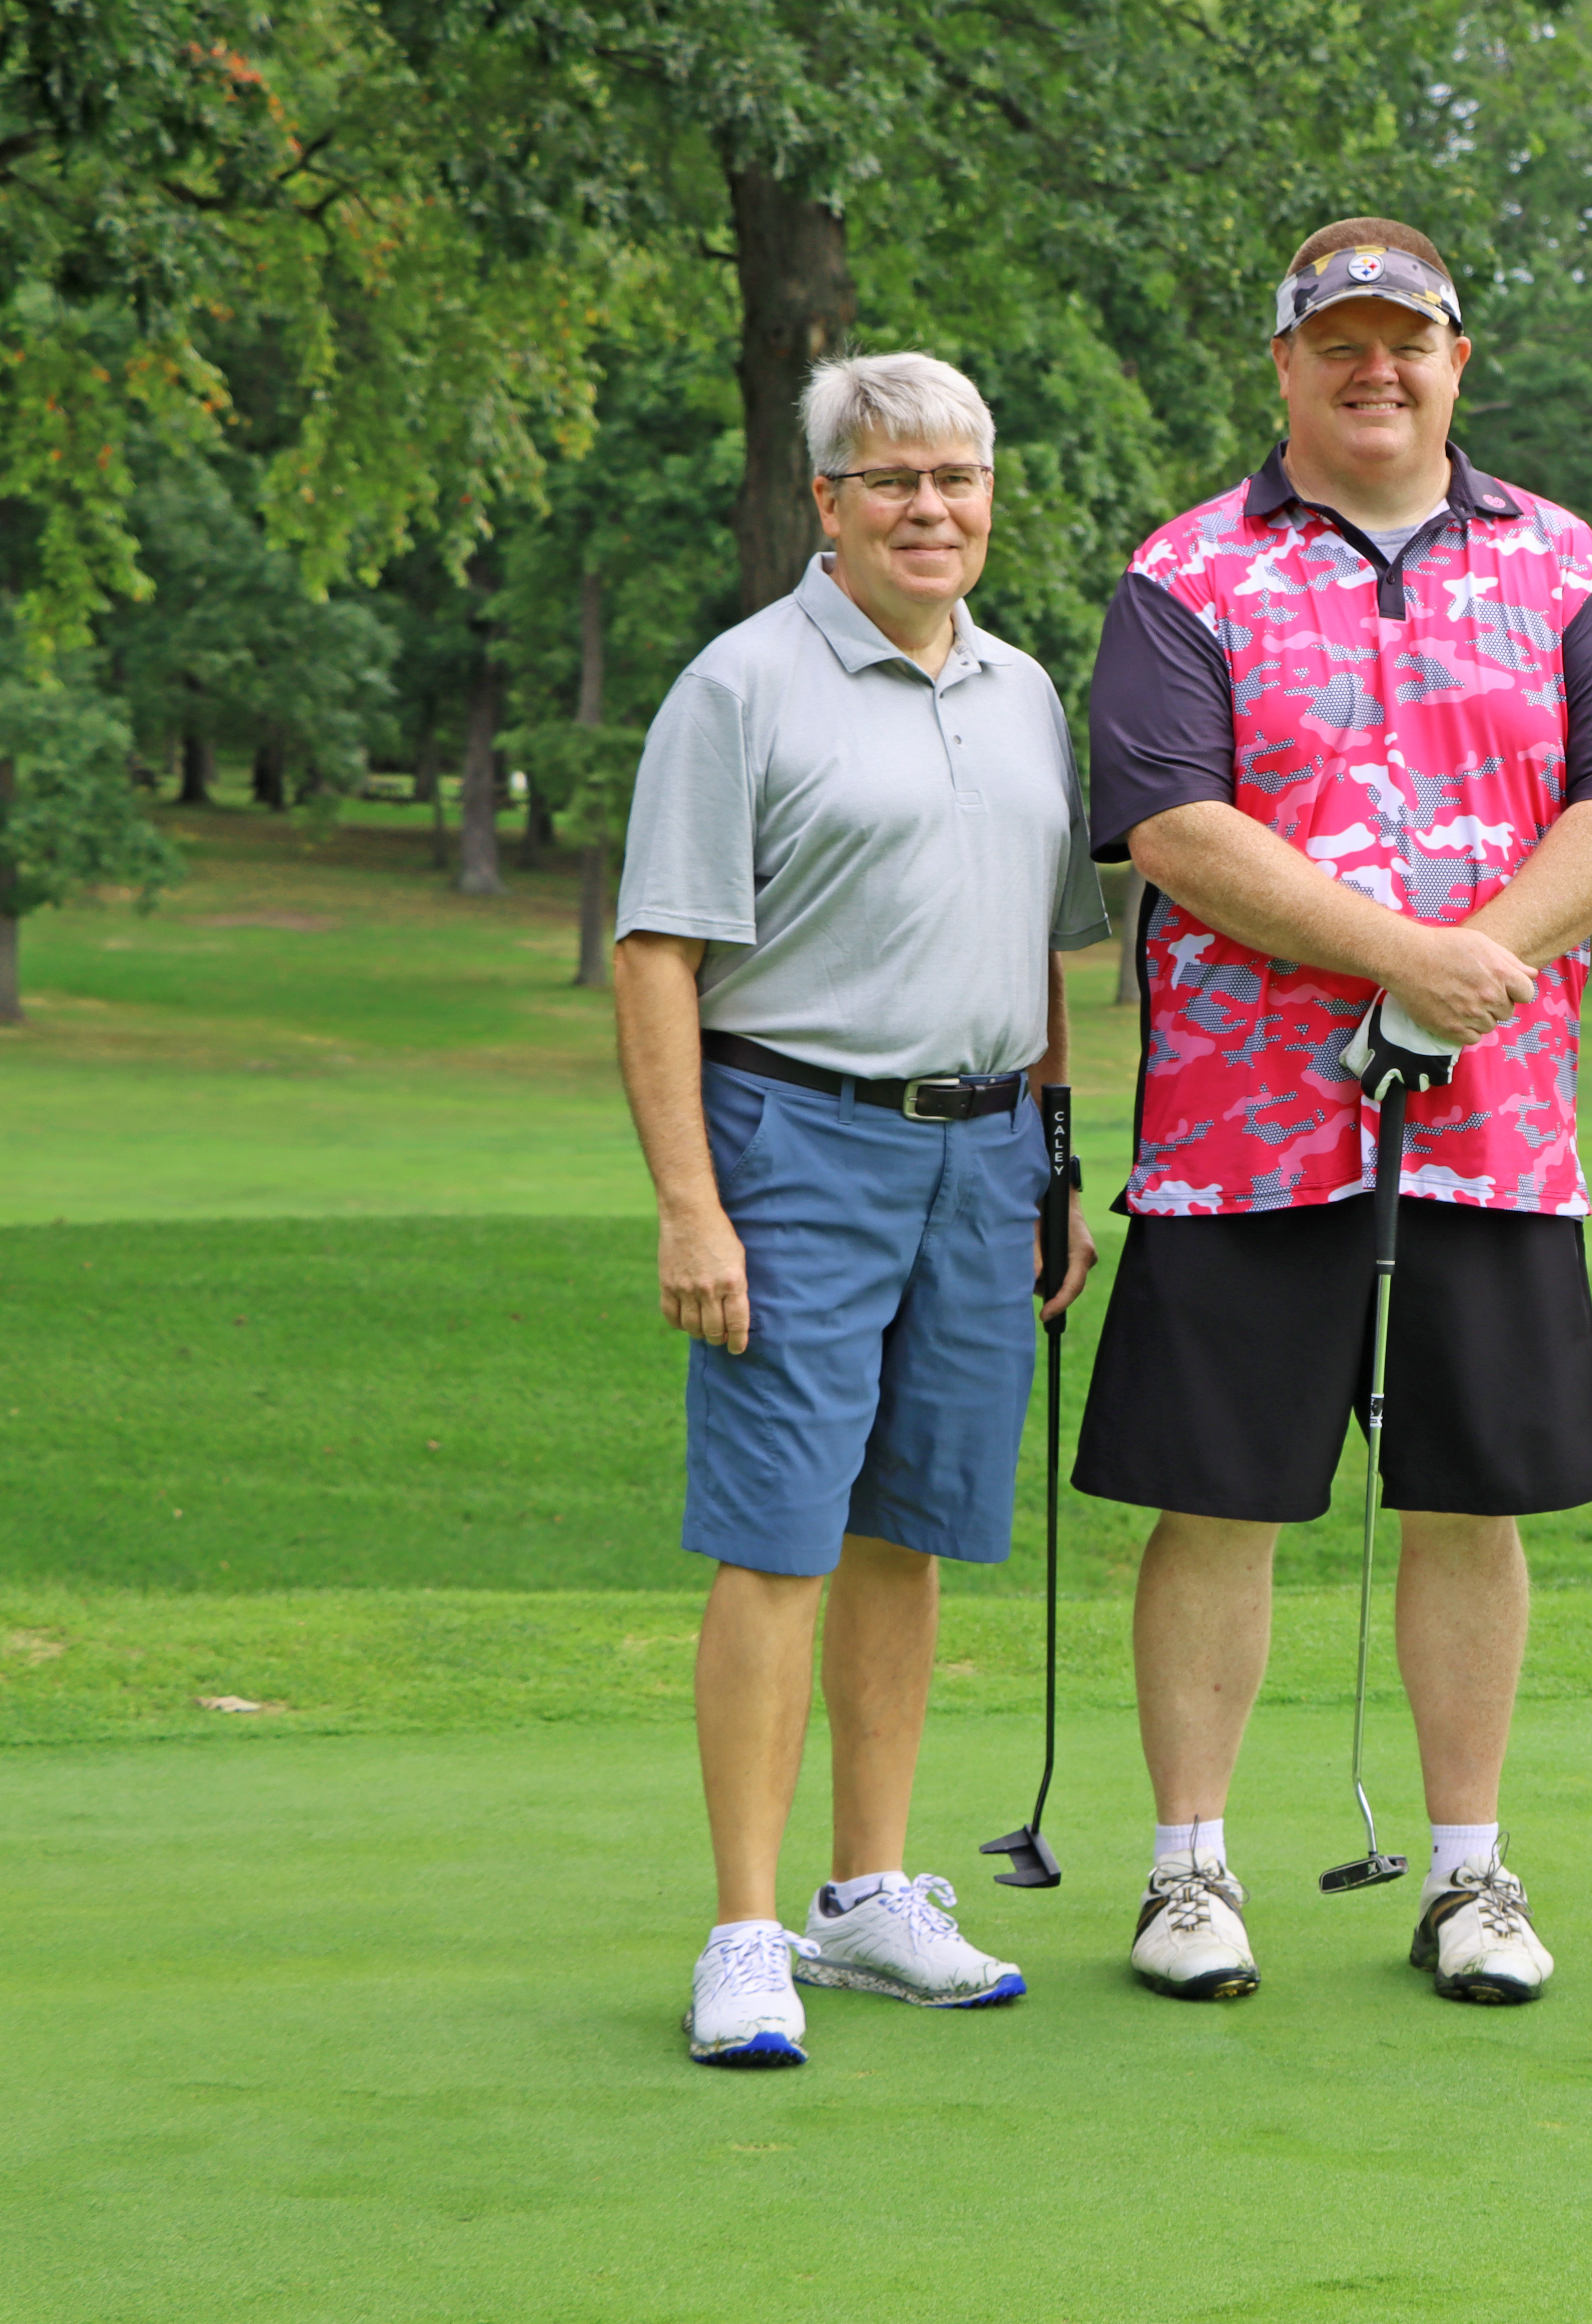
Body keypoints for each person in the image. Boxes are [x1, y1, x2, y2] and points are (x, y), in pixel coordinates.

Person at [1071, 218, 1592, 2006]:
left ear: (1456, 360)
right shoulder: (1187, 572)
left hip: (1494, 1127)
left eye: (1404, 341)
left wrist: (1471, 966)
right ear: (1285, 368)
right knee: (1219, 1498)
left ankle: (1470, 1876)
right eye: (1336, 341)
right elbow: (1174, 826)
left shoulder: (1565, 563)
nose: (1373, 368)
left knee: (1467, 1498)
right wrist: (1410, 954)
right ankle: (1190, 1873)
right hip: (1244, 1134)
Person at [612, 351, 1114, 2067]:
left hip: (982, 1156)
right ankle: (746, 1929)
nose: (930, 508)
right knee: (782, 1537)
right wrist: (693, 1203)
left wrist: (1056, 1160)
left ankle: (869, 1896)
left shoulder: (1028, 692)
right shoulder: (738, 688)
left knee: (911, 1531)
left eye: (957, 479)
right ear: (828, 502)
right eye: (891, 479)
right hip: (794, 1142)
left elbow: (1045, 958)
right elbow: (657, 955)